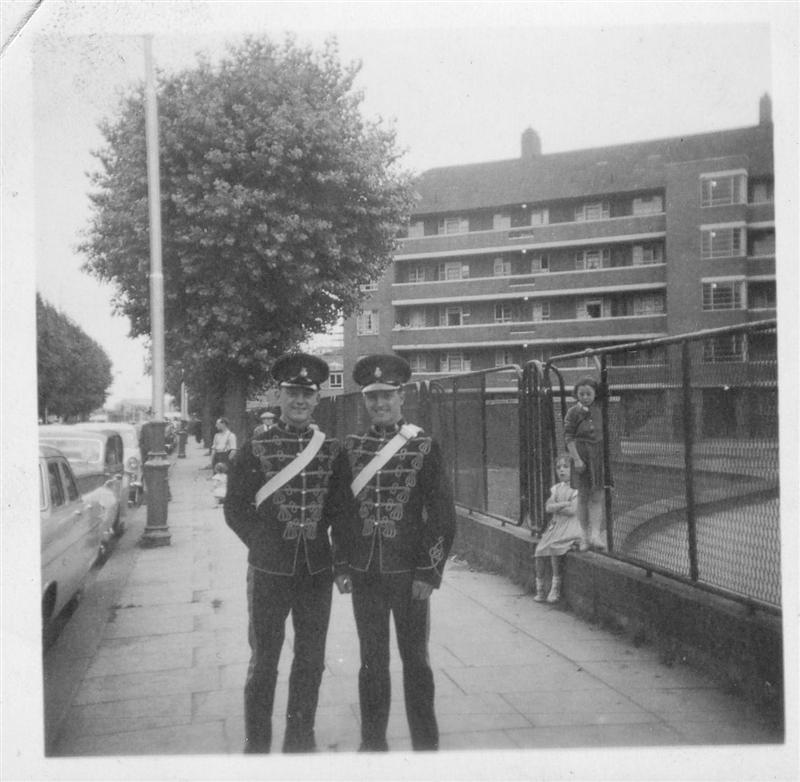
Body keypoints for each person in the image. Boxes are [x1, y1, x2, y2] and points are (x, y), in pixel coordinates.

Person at [223, 353, 354, 754]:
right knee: (264, 661)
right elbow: (235, 509)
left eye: (307, 394)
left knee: (311, 660)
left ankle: (300, 738)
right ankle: (257, 745)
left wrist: (340, 560)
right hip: (267, 570)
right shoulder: (254, 448)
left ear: (317, 400)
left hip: (315, 571)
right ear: (279, 396)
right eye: (292, 392)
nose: (299, 400)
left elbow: (342, 512)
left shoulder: (331, 451)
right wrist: (263, 544)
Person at [343, 353, 456, 752]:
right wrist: (342, 563)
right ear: (364, 400)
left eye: (387, 395)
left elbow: (442, 513)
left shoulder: (423, 445)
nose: (380, 404)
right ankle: (373, 746)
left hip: (410, 577)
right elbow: (342, 512)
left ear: (402, 395)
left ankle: (426, 748)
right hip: (366, 575)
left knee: (416, 663)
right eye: (372, 397)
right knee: (371, 664)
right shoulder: (352, 448)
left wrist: (429, 571)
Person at [564, 376, 607, 552]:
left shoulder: (598, 407)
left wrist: (595, 357)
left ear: (594, 394)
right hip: (581, 455)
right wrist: (577, 459)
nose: (585, 397)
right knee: (583, 496)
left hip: (597, 455)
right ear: (577, 395)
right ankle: (583, 535)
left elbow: (604, 382)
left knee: (597, 495)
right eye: (581, 394)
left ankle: (596, 535)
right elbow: (568, 437)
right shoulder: (573, 412)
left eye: (589, 393)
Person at [533, 455, 581, 602]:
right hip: (557, 525)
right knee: (539, 551)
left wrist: (557, 507)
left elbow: (572, 511)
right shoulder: (556, 488)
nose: (561, 470)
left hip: (570, 526)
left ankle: (555, 588)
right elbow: (548, 507)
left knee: (555, 547)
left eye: (565, 467)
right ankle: (540, 589)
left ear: (573, 470)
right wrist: (563, 505)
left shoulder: (576, 489)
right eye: (558, 467)